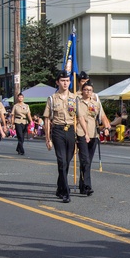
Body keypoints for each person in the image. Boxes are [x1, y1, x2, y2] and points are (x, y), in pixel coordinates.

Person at [44, 70, 78, 203]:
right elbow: (47, 119)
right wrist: (48, 138)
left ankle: (59, 187)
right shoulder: (52, 99)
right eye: (63, 80)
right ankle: (65, 191)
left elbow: (79, 117)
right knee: (61, 161)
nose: (65, 83)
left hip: (70, 130)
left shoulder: (75, 98)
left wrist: (82, 135)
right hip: (57, 130)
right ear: (58, 82)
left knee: (67, 161)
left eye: (67, 80)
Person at [76, 81, 110, 196]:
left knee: (88, 161)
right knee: (85, 159)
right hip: (81, 133)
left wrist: (106, 127)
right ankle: (87, 185)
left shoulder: (96, 104)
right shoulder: (77, 102)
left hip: (93, 134)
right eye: (86, 90)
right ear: (82, 91)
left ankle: (82, 185)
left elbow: (102, 116)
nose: (88, 92)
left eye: (90, 90)